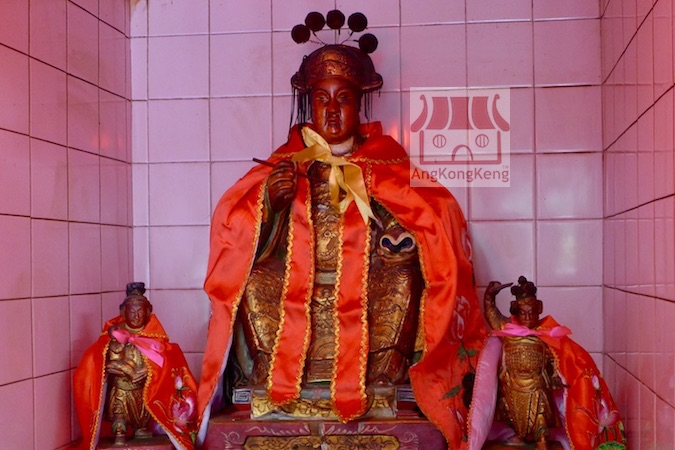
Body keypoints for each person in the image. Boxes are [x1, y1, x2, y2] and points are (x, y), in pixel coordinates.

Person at [197, 11, 486, 448]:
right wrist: (270, 204)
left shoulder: (385, 163)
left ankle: (383, 373)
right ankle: (273, 377)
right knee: (254, 281)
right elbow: (236, 233)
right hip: (296, 283)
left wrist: (399, 243)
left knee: (403, 278)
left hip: (367, 281)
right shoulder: (287, 164)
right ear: (309, 104)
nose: (332, 111)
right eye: (322, 99)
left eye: (344, 99)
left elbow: (426, 219)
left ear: (359, 103)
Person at [468, 276, 627, 449]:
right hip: (512, 383)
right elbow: (491, 312)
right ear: (515, 312)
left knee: (540, 415)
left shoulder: (545, 334)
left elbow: (558, 358)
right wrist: (490, 296)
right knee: (513, 414)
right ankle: (519, 435)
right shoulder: (507, 329)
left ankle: (542, 440)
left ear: (539, 310)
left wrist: (556, 376)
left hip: (538, 384)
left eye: (532, 313)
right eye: (523, 313)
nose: (528, 317)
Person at [74, 283, 198, 450]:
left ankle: (141, 428)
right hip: (120, 388)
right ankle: (120, 433)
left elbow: (165, 362)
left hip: (142, 389)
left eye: (140, 311)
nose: (136, 315)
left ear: (148, 311)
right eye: (132, 311)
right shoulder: (116, 336)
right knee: (119, 415)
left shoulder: (154, 337)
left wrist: (148, 370)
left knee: (142, 414)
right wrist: (127, 370)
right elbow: (105, 362)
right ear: (123, 311)